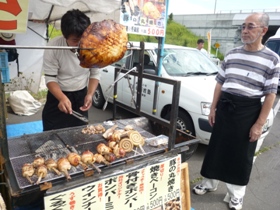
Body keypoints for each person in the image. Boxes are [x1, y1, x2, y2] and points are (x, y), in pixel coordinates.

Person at [193, 12, 280, 210]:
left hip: (248, 111)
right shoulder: (232, 54)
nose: (245, 31)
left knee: (241, 155)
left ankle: (236, 195)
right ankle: (209, 183)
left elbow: (270, 95)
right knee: (217, 148)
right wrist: (213, 108)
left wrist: (258, 124)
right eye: (243, 26)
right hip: (225, 107)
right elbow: (219, 84)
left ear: (264, 30)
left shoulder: (272, 59)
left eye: (251, 26)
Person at [42, 9, 100, 131]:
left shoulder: (92, 47)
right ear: (64, 35)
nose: (80, 44)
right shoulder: (53, 47)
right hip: (58, 95)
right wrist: (61, 98)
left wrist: (90, 94)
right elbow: (50, 78)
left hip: (80, 95)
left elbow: (95, 72)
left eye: (82, 39)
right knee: (52, 134)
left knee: (80, 133)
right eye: (75, 40)